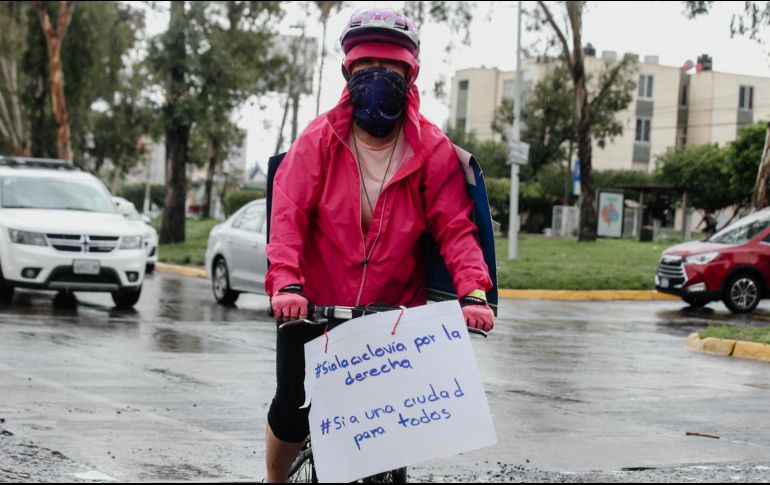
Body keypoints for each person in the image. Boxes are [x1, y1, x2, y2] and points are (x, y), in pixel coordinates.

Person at [263, 9, 495, 482]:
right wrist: (286, 282)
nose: (378, 76)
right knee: (293, 405)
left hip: (391, 315)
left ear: (411, 74)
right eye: (366, 65)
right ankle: (273, 480)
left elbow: (455, 227)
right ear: (348, 71)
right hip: (312, 302)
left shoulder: (432, 149)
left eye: (390, 67)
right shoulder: (318, 140)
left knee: (390, 427)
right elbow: (287, 216)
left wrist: (474, 291)